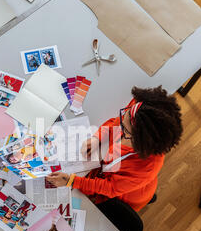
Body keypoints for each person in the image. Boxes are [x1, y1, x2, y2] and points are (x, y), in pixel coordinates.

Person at [46, 86, 183, 211]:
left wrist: (71, 181)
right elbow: (116, 123)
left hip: (126, 196)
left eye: (127, 129)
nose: (123, 119)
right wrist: (97, 138)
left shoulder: (146, 166)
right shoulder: (140, 109)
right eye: (126, 114)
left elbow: (110, 187)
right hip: (115, 172)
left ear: (140, 141)